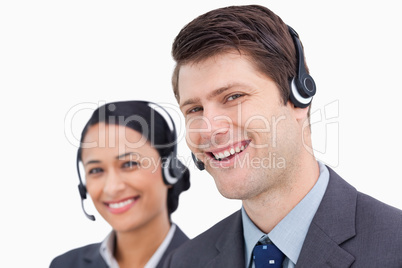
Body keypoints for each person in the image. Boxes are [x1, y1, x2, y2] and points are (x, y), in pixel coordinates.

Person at [164, 5, 402, 268]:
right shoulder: (185, 261)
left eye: (233, 97)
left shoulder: (395, 246)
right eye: (194, 109)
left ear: (299, 99)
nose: (208, 129)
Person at [50, 100, 190, 268]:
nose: (112, 187)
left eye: (129, 164)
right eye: (96, 170)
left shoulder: (211, 262)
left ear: (170, 169)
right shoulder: (66, 264)